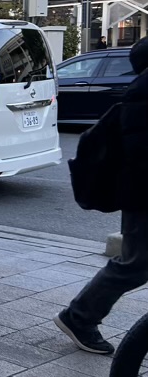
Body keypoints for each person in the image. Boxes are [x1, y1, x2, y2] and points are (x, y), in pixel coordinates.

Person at [55, 37, 148, 355]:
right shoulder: (143, 93)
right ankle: (79, 317)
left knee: (136, 263)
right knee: (135, 264)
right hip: (143, 197)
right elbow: (141, 152)